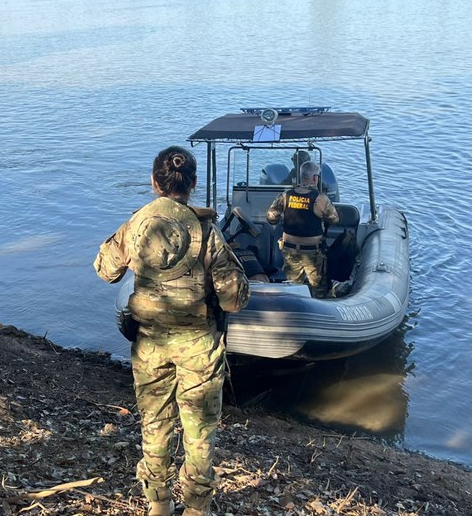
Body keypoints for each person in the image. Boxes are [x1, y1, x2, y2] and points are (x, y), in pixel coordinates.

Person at [94, 146, 250, 516]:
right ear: (193, 184)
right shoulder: (207, 231)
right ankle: (196, 506)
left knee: (154, 424)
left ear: (154, 182)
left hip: (150, 343)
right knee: (199, 431)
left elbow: (105, 269)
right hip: (198, 346)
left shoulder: (137, 224)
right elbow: (233, 299)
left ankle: (158, 503)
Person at [266, 160, 339, 298]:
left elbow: (271, 217)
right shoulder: (320, 199)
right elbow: (334, 219)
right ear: (315, 178)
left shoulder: (286, 195)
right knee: (319, 289)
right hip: (313, 253)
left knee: (292, 289)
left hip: (290, 251)